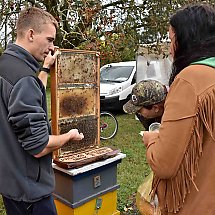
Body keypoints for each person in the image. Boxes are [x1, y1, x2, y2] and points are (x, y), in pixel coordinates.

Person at [0, 7, 84, 215]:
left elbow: (29, 93)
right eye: (49, 39)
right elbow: (38, 146)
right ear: (30, 34)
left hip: (10, 182)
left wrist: (45, 68)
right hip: (31, 193)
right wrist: (69, 135)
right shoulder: (24, 78)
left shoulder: (6, 65)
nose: (52, 46)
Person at [143, 3, 215, 215]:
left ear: (187, 39)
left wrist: (151, 137)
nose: (170, 48)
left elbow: (163, 163)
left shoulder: (190, 79)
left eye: (171, 39)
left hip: (194, 204)